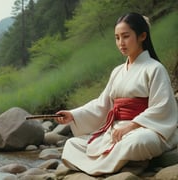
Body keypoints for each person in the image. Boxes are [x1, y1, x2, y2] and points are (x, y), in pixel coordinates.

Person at [54, 12, 178, 176]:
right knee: (72, 144)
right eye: (117, 38)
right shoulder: (117, 71)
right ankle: (122, 162)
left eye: (125, 36)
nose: (121, 43)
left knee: (138, 142)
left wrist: (131, 126)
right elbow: (102, 104)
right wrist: (73, 115)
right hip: (117, 131)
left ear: (142, 36)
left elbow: (162, 107)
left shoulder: (155, 69)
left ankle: (113, 162)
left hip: (145, 129)